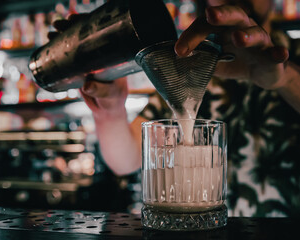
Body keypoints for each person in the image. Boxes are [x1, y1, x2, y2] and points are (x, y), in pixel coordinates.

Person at [50, 0, 300, 217]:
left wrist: (285, 79)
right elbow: (127, 160)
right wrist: (110, 109)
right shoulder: (185, 63)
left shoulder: (294, 55)